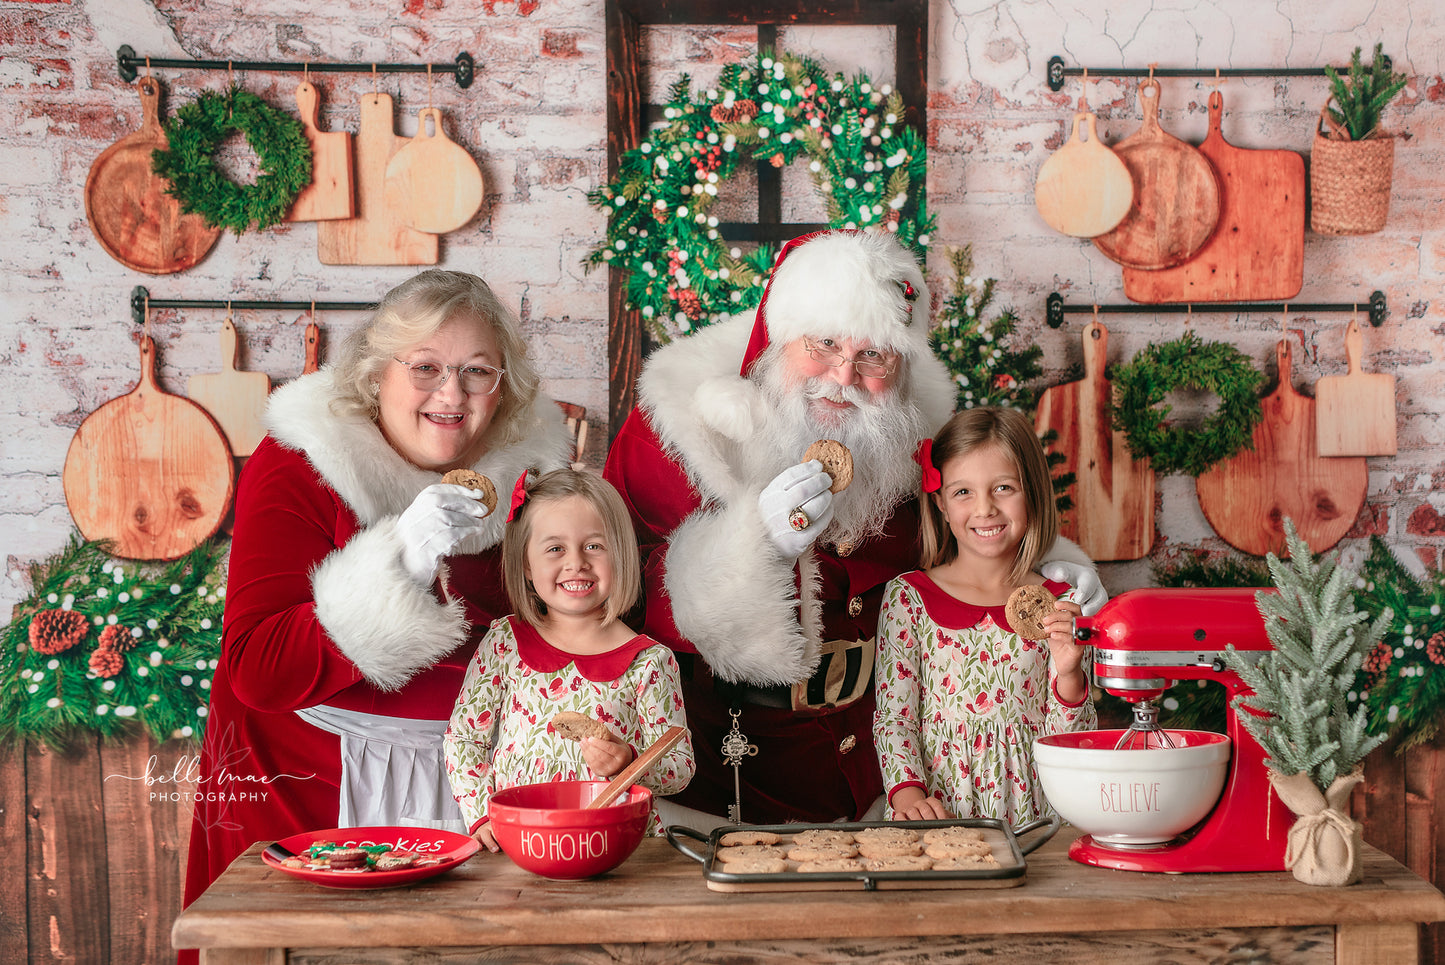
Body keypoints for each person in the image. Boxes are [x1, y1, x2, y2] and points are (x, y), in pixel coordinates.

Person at [602, 229, 1105, 828]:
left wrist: (1042, 566)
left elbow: (968, 548)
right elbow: (612, 596)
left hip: (882, 783)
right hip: (719, 781)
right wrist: (753, 549)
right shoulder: (675, 433)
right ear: (779, 337)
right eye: (823, 344)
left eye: (874, 356)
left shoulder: (915, 443)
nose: (843, 376)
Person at [182, 270, 574, 913]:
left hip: (481, 795)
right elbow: (256, 667)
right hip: (313, 791)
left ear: (502, 388)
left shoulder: (533, 483)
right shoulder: (303, 461)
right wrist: (399, 567)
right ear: (375, 374)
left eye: (477, 371)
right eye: (425, 367)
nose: (452, 393)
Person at [443, 468, 694, 848]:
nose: (576, 562)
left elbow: (680, 767)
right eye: (555, 548)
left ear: (621, 556)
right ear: (527, 564)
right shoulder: (505, 643)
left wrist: (627, 760)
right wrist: (482, 815)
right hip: (522, 843)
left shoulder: (649, 662)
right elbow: (464, 738)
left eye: (594, 546)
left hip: (620, 848)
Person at [874, 407, 1096, 825]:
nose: (985, 508)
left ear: (1032, 491)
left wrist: (1069, 674)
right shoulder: (909, 599)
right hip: (936, 821)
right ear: (939, 502)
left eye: (1003, 488)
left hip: (1034, 819)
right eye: (963, 492)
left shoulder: (1061, 605)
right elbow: (894, 719)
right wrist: (908, 798)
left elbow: (1072, 741)